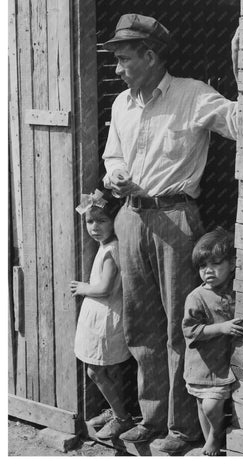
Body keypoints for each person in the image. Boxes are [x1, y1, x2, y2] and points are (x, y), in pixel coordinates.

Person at [101, 13, 239, 453]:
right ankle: (152, 417)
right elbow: (112, 157)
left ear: (151, 55)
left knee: (182, 324)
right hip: (130, 218)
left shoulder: (193, 95)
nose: (118, 69)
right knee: (141, 325)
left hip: (175, 220)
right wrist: (117, 175)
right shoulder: (121, 104)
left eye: (124, 59)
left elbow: (240, 123)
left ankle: (183, 428)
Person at [70, 189, 133, 440]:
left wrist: (83, 288)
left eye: (102, 220)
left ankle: (122, 418)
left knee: (96, 371)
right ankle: (116, 410)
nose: (95, 227)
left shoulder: (111, 249)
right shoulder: (105, 245)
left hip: (106, 317)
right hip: (99, 315)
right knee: (108, 370)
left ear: (114, 221)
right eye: (90, 221)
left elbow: (106, 288)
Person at [182, 227, 243, 456]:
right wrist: (221, 328)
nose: (208, 271)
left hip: (222, 363)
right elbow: (190, 331)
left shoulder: (236, 290)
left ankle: (214, 437)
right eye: (202, 266)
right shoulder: (197, 297)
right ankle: (212, 437)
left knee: (211, 405)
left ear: (232, 264)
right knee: (204, 404)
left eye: (215, 264)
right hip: (203, 363)